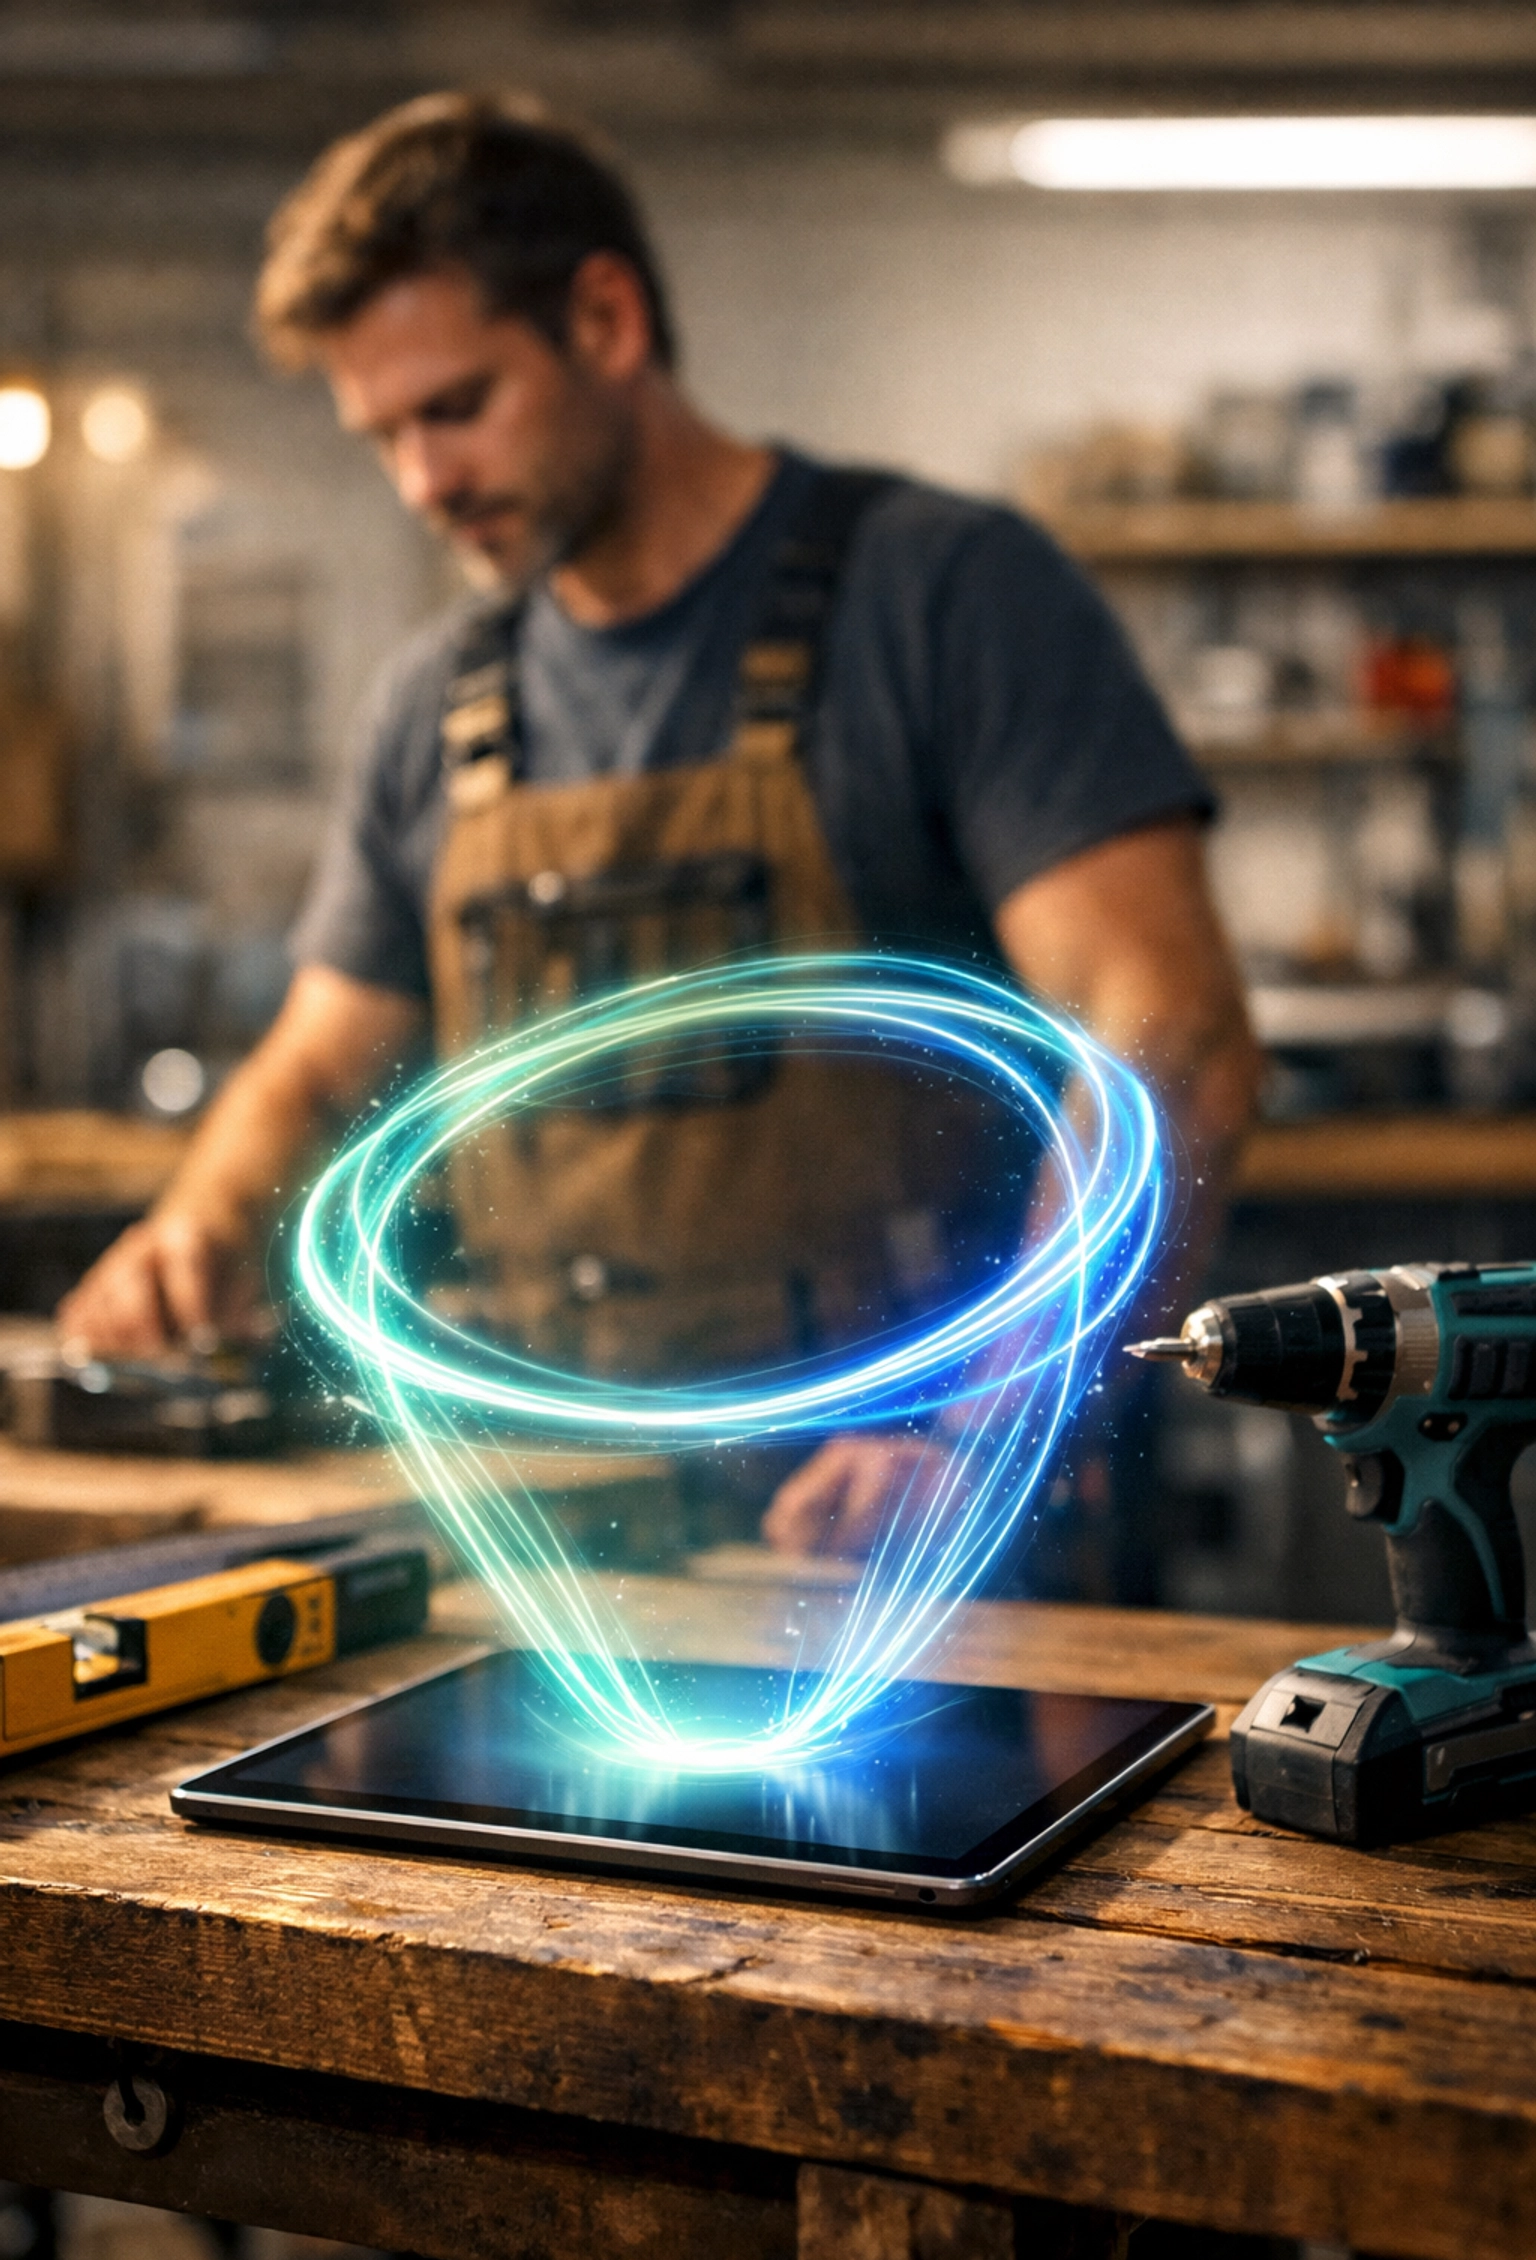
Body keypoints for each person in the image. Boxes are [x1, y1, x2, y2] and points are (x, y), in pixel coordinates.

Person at [58, 92, 1262, 1560]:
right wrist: (193, 1229)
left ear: (609, 321)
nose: (423, 484)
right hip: (558, 1545)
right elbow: (319, 1066)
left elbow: (1173, 1034)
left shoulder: (946, 599)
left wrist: (976, 1433)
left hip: (914, 1543)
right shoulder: (433, 707)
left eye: (456, 407)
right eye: (383, 436)